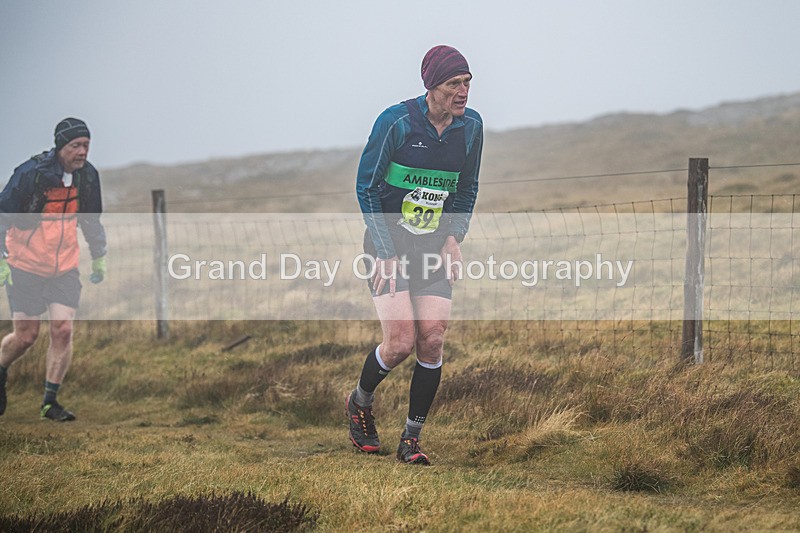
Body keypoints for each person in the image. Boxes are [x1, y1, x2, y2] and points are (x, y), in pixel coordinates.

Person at [348, 45, 483, 464]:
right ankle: (359, 404)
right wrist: (386, 252)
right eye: (453, 84)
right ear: (432, 87)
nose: (463, 92)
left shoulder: (472, 127)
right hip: (388, 246)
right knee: (401, 342)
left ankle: (412, 439)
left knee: (434, 338)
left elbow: (466, 188)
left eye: (467, 83)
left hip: (431, 246)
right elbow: (366, 188)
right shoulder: (396, 123)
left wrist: (453, 236)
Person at [0, 117, 107, 422]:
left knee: (63, 329)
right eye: (76, 145)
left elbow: (90, 219)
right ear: (61, 146)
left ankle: (50, 402)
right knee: (26, 337)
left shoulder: (88, 177)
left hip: (64, 266)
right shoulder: (31, 174)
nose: (82, 151)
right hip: (26, 265)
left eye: (86, 145)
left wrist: (98, 255)